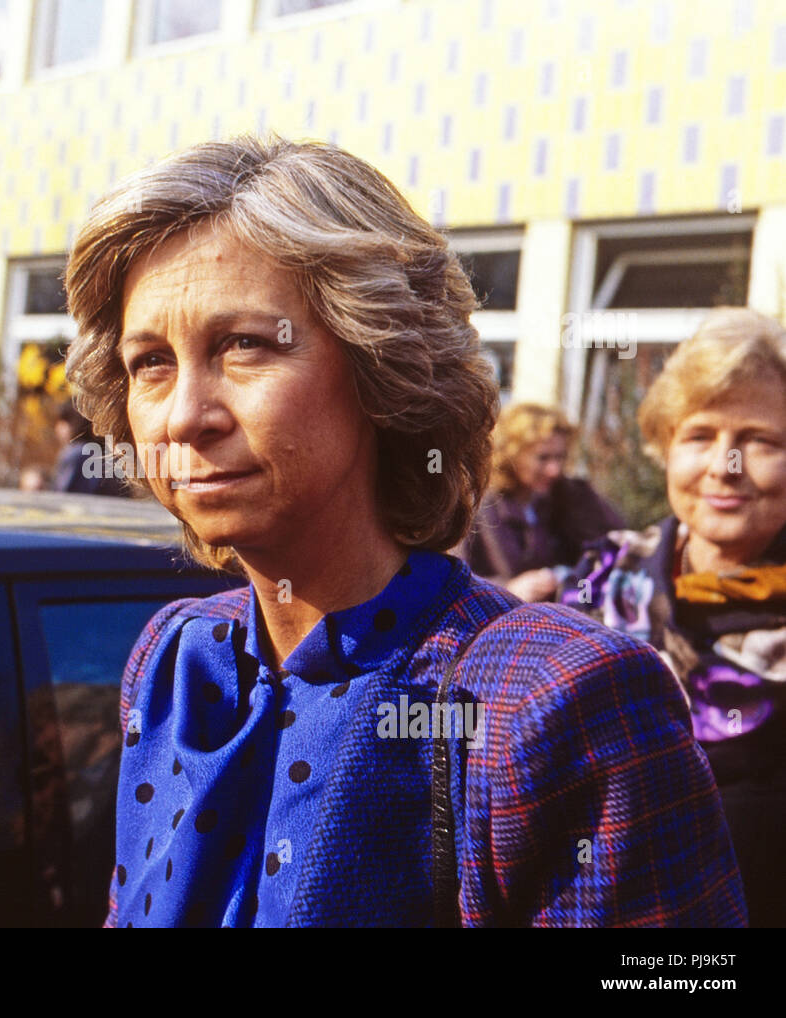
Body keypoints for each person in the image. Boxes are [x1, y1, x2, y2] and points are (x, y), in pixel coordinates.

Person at [64, 135, 745, 927]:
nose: (184, 414)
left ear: (379, 361)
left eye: (243, 345)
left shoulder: (548, 699)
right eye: (151, 361)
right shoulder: (179, 666)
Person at [562, 307, 786, 927]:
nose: (725, 466)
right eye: (699, 436)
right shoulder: (604, 579)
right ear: (665, 446)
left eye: (761, 441)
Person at [462, 403, 623, 601]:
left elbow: (613, 544)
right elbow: (453, 580)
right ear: (512, 454)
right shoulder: (479, 508)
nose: (554, 469)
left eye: (560, 457)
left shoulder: (568, 496)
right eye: (543, 458)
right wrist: (507, 589)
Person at [50, 403, 128, 496]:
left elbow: (61, 494)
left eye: (63, 422)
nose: (58, 429)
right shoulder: (112, 454)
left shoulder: (75, 454)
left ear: (75, 422)